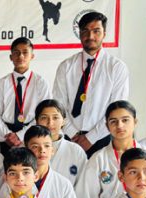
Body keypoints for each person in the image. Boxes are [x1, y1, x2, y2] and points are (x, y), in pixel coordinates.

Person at [53, 11, 130, 157]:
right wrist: (73, 134)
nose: (90, 36)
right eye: (85, 31)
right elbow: (59, 106)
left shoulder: (116, 67)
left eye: (96, 31)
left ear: (104, 34)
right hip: (70, 138)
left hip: (102, 138)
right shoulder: (66, 66)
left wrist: (91, 138)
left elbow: (116, 110)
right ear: (79, 34)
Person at [75, 101, 146, 198]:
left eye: (125, 120)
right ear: (107, 126)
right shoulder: (98, 159)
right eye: (113, 121)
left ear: (135, 122)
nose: (119, 125)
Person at [0, 37, 51, 154]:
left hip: (32, 134)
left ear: (32, 56)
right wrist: (8, 135)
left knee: (30, 170)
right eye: (16, 53)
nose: (21, 56)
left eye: (25, 52)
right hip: (7, 137)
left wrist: (20, 135)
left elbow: (44, 114)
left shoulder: (41, 82)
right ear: (11, 57)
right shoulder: (3, 82)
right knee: (8, 170)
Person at [21, 125, 78, 198]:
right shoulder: (14, 181)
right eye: (35, 146)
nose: (42, 150)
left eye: (47, 146)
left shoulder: (63, 184)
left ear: (52, 150)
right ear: (26, 150)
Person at [34, 99, 87, 185]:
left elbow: (83, 185)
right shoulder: (25, 149)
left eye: (55, 117)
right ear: (36, 121)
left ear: (64, 121)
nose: (50, 123)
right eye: (44, 118)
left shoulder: (76, 151)